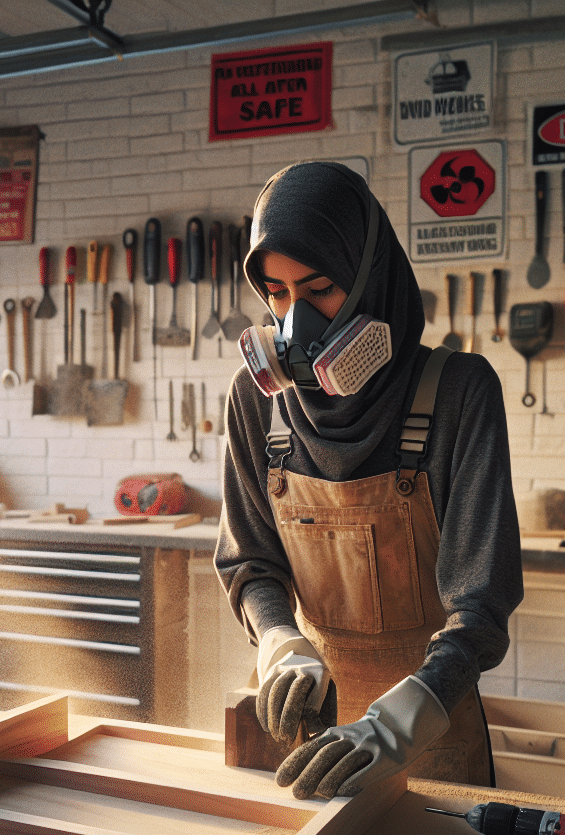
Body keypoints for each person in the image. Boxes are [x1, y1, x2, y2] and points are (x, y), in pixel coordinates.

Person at [216, 161, 523, 801]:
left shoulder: (460, 392)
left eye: (321, 288)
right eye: (276, 293)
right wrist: (279, 643)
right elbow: (250, 563)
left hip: (430, 730)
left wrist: (396, 725)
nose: (296, 324)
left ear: (370, 280)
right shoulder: (256, 398)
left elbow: (482, 609)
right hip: (309, 731)